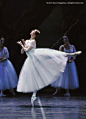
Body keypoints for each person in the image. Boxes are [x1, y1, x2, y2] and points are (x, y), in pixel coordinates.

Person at [17, 29, 81, 106]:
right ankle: (34, 95)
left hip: (35, 57)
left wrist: (21, 45)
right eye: (32, 31)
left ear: (34, 35)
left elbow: (27, 50)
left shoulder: (33, 41)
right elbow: (22, 52)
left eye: (34, 32)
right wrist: (23, 44)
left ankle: (72, 54)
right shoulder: (27, 41)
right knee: (33, 78)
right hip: (30, 60)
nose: (32, 32)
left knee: (53, 54)